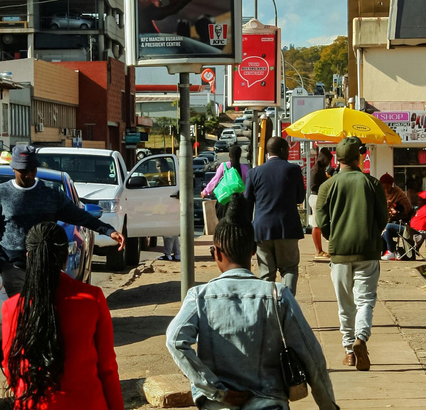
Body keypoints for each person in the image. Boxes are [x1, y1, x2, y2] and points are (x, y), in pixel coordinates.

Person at [166, 194, 339, 410]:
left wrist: (216, 390)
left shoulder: (199, 297)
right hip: (269, 403)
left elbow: (174, 340)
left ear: (216, 253)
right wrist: (328, 406)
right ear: (253, 251)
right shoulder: (277, 295)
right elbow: (312, 356)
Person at [2, 222, 123, 410]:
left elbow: (11, 368)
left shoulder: (13, 307)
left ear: (28, 257)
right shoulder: (93, 299)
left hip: (33, 404)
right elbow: (107, 368)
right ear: (66, 256)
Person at [0, 145, 125, 297]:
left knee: (47, 310)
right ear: (13, 169)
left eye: (32, 170)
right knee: (21, 312)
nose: (29, 175)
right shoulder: (0, 194)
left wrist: (108, 230)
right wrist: (4, 265)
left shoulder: (51, 192)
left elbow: (80, 216)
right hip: (15, 267)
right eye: (23, 171)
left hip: (47, 266)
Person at [315, 137, 387, 371]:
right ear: (359, 158)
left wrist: (333, 237)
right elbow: (382, 217)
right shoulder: (372, 183)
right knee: (365, 301)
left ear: (337, 159)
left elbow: (321, 221)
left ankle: (349, 352)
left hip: (340, 253)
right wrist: (372, 235)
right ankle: (361, 339)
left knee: (345, 305)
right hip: (368, 250)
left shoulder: (328, 186)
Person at [244, 136, 306, 295]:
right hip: (288, 229)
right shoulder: (293, 170)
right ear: (283, 150)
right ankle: (287, 305)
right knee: (289, 269)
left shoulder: (254, 173)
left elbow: (247, 204)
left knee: (266, 273)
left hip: (262, 230)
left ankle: (268, 310)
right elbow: (300, 198)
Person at [381, 190, 426, 261]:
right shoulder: (420, 209)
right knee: (385, 231)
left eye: (419, 200)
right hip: (409, 228)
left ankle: (391, 251)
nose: (417, 202)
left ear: (424, 201)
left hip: (413, 231)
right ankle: (394, 250)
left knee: (388, 226)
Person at [201, 144, 249, 220]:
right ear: (240, 155)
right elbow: (247, 185)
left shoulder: (224, 166)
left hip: (225, 201)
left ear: (229, 155)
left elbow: (215, 180)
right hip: (240, 202)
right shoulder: (245, 168)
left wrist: (205, 192)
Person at [379, 173, 414, 260]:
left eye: (388, 187)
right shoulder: (380, 195)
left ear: (392, 185)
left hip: (400, 225)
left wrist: (394, 207)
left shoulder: (399, 194)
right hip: (386, 223)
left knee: (386, 227)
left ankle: (391, 251)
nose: (386, 190)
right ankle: (389, 250)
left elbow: (407, 211)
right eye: (383, 188)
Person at [309, 147, 333, 260]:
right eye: (327, 160)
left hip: (319, 197)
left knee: (319, 224)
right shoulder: (316, 170)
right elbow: (313, 186)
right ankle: (318, 250)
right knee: (316, 224)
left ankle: (320, 250)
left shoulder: (320, 169)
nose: (328, 163)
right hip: (316, 197)